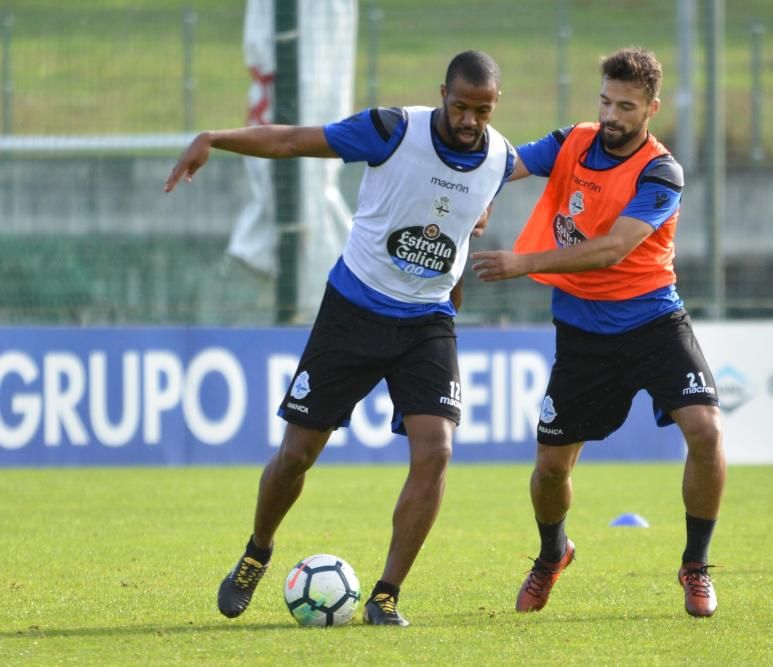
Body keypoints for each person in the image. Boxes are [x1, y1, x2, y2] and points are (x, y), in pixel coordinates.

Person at [164, 50, 515, 627]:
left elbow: (467, 215)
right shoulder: (391, 130)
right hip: (353, 311)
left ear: (495, 105)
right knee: (297, 454)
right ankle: (258, 551)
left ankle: (385, 596)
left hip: (427, 322)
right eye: (460, 106)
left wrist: (458, 266)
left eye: (482, 109)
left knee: (437, 450)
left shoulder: (500, 158)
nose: (470, 120)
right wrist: (215, 137)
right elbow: (293, 142)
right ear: (442, 94)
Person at [471, 47, 725, 618]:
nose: (612, 115)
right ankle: (551, 553)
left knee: (706, 431)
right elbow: (503, 162)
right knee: (551, 468)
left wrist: (522, 262)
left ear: (651, 109)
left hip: (654, 321)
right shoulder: (573, 141)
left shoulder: (662, 173)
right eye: (606, 101)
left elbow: (613, 249)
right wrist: (480, 196)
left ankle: (696, 566)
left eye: (626, 106)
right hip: (583, 332)